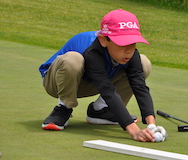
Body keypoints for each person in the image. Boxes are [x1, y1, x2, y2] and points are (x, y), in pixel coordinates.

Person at [39, 9, 167, 142]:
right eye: (122, 43)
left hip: (93, 82)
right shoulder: (92, 51)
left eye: (132, 43)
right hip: (57, 82)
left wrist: (152, 125)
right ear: (103, 40)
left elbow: (139, 86)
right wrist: (133, 129)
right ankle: (64, 107)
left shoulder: (131, 53)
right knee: (73, 59)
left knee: (143, 63)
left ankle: (100, 111)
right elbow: (107, 89)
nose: (129, 50)